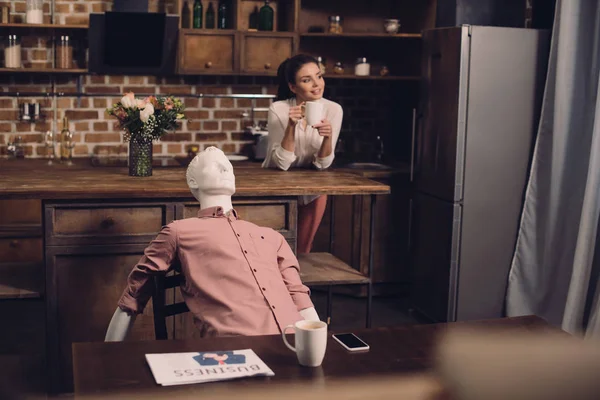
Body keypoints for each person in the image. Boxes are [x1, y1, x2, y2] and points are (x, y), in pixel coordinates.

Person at [105, 147, 320, 341]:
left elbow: (301, 300)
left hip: (297, 348)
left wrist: (321, 348)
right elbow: (133, 297)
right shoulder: (179, 232)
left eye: (228, 166)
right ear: (193, 182)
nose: (226, 169)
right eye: (215, 165)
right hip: (238, 352)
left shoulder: (272, 237)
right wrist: (107, 361)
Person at [262, 54, 343, 254]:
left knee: (302, 250)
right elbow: (281, 163)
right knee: (273, 251)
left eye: (319, 76)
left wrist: (327, 137)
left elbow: (323, 164)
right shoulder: (279, 110)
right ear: (293, 87)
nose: (317, 85)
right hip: (277, 189)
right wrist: (291, 126)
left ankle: (297, 286)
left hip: (312, 190)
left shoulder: (333, 110)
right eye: (307, 80)